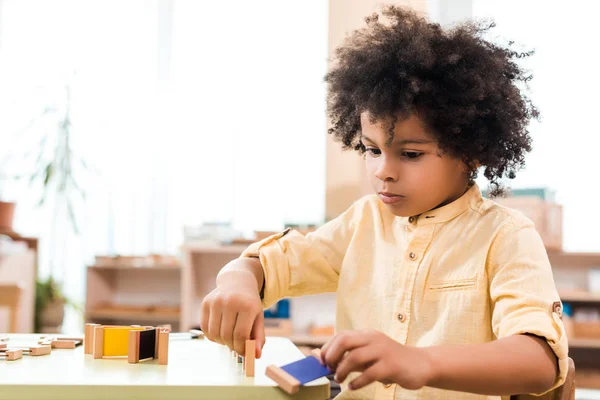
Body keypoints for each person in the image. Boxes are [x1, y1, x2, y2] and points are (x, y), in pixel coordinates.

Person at [200, 5, 568, 399]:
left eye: (410, 154)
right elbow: (272, 265)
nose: (382, 171)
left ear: (471, 152)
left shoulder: (505, 236)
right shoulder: (364, 221)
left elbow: (540, 361)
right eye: (372, 150)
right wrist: (238, 279)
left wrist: (420, 362)